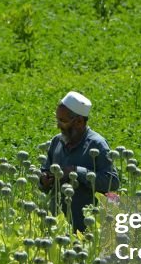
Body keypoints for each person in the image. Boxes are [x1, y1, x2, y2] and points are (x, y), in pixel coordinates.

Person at [39, 91, 119, 231]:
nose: (58, 125)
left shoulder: (97, 145)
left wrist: (76, 171)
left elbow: (112, 182)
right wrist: (43, 180)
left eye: (62, 121)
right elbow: (45, 171)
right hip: (56, 226)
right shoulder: (57, 141)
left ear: (79, 122)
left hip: (87, 227)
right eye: (57, 120)